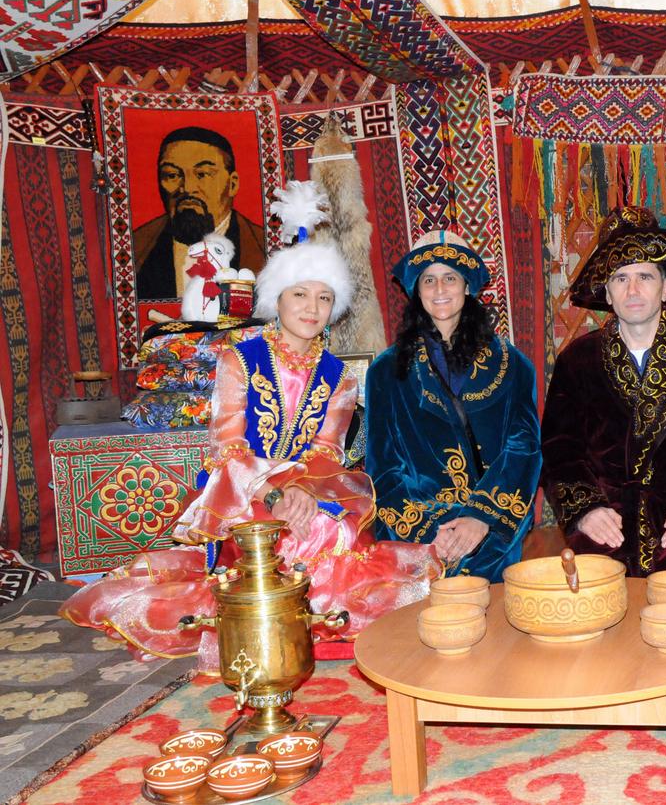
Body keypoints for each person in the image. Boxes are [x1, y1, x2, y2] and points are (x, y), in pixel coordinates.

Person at [61, 241, 438, 672]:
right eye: (300, 293)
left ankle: (311, 609)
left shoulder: (341, 378)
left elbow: (327, 451)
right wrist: (275, 495)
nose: (312, 307)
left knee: (330, 529)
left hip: (309, 485)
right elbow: (228, 446)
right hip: (239, 486)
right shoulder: (239, 359)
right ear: (277, 298)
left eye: (324, 297)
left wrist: (301, 493)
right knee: (283, 537)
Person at [541, 207, 666, 584]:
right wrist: (585, 511)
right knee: (597, 614)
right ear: (607, 294)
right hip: (606, 519)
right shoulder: (577, 361)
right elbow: (559, 448)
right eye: (620, 278)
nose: (633, 290)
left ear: (665, 288)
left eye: (645, 277)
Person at [367, 231, 540, 581]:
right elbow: (383, 467)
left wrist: (480, 518)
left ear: (467, 287)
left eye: (450, 278)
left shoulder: (514, 365)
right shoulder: (386, 371)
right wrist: (431, 533)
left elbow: (524, 449)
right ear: (416, 290)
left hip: (494, 525)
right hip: (417, 530)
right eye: (429, 280)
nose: (440, 289)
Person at [134, 126, 267, 299]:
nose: (188, 188)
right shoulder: (137, 249)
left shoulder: (263, 247)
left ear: (232, 184)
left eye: (203, 174)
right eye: (172, 175)